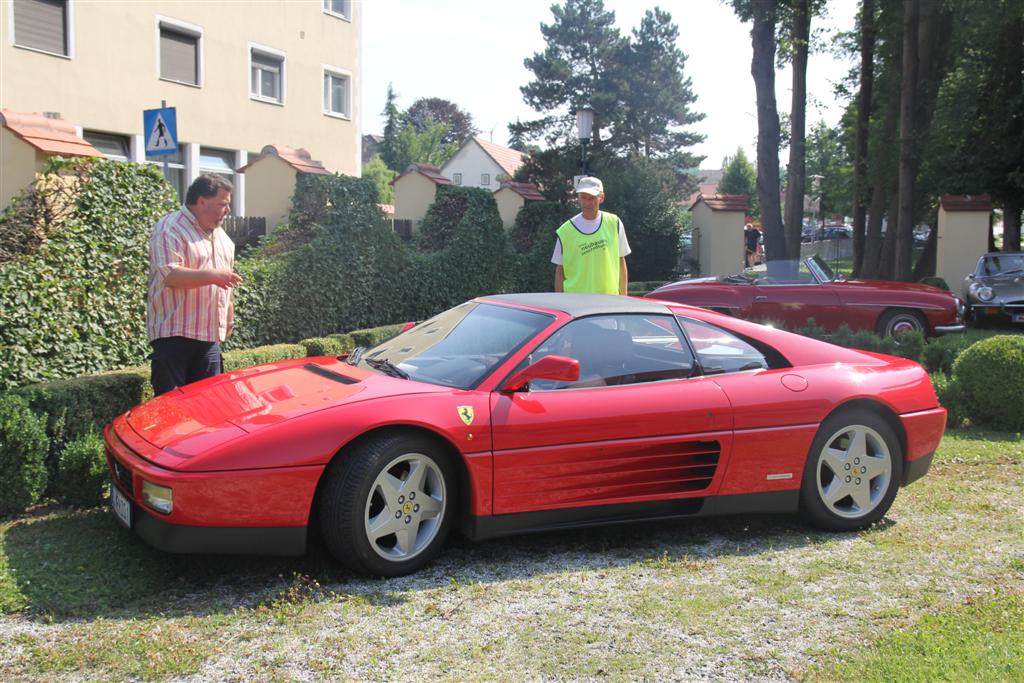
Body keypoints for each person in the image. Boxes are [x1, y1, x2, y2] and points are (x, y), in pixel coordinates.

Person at [147, 174, 242, 396]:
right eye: (223, 204)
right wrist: (213, 275)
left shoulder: (223, 238)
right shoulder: (169, 228)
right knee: (172, 411)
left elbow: (226, 285)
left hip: (208, 339)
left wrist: (229, 319)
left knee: (209, 410)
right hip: (174, 337)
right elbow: (170, 275)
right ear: (201, 201)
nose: (227, 210)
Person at [552, 176, 631, 295]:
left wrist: (624, 296)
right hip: (575, 302)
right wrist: (560, 301)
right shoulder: (565, 231)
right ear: (578, 198)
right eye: (583, 197)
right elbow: (559, 269)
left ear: (601, 197)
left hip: (609, 300)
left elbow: (621, 260)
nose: (587, 202)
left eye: (592, 198)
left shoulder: (614, 223)